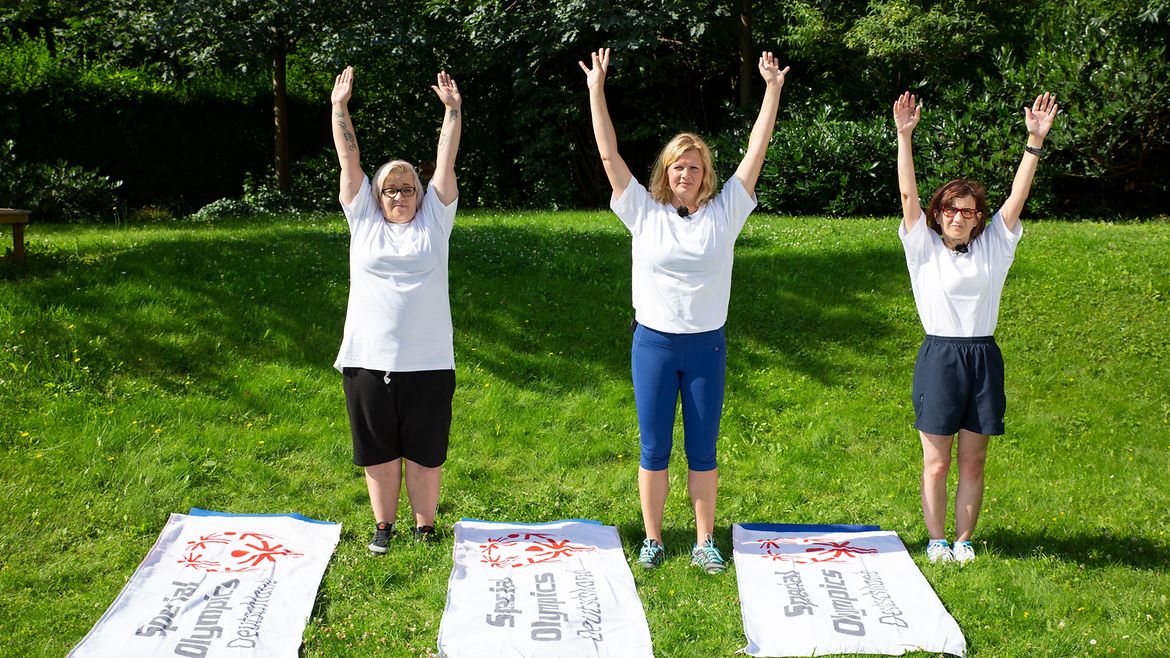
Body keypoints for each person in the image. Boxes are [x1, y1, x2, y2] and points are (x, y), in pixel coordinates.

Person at [579, 48, 790, 573]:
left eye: (695, 167)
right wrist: (596, 90)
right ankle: (652, 539)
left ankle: (703, 542)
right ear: (665, 171)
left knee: (702, 449)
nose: (686, 174)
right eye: (678, 166)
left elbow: (757, 151)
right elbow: (609, 158)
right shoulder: (644, 213)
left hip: (705, 346)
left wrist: (771, 91)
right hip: (653, 343)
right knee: (654, 449)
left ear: (706, 174)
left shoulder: (726, 213)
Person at [892, 91, 1058, 564]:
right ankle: (937, 539)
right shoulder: (922, 247)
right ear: (938, 214)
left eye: (968, 212)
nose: (959, 218)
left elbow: (1017, 198)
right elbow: (908, 195)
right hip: (940, 357)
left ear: (978, 218)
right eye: (950, 210)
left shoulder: (994, 248)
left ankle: (963, 540)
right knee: (937, 460)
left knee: (973, 460)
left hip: (983, 357)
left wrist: (1034, 142)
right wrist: (905, 136)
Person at [329, 65, 462, 552]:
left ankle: (425, 526)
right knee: (378, 450)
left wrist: (452, 113)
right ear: (376, 197)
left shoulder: (435, 223)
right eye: (391, 188)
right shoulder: (363, 220)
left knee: (427, 451)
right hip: (368, 358)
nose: (400, 194)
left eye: (408, 187)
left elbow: (444, 165)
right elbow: (350, 161)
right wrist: (339, 108)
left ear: (420, 195)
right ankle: (383, 525)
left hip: (428, 360)